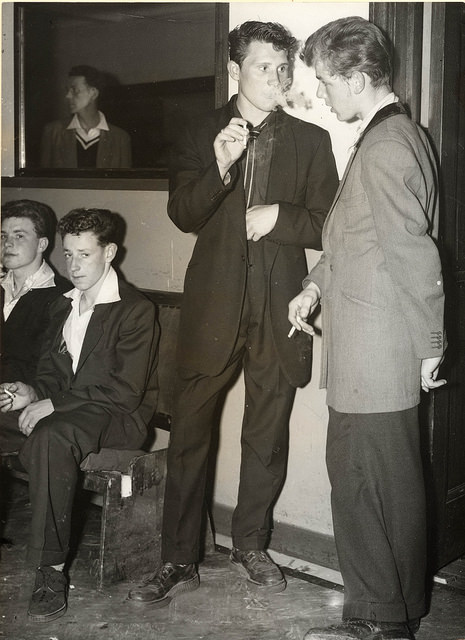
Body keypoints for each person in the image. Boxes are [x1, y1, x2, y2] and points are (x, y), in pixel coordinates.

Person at [128, 20, 338, 607]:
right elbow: (184, 215)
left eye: (282, 66)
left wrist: (282, 218)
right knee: (190, 433)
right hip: (213, 310)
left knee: (267, 436)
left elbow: (330, 224)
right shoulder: (199, 131)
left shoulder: (311, 140)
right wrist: (220, 168)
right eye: (263, 66)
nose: (275, 77)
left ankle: (251, 544)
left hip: (280, 312)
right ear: (234, 70)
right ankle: (178, 558)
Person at [288, 17, 446, 640]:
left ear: (357, 79)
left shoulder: (385, 146)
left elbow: (414, 253)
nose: (322, 94)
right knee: (379, 484)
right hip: (367, 347)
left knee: (368, 489)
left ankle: (383, 621)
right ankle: (391, 612)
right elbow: (359, 239)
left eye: (326, 82)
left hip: (378, 354)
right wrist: (314, 284)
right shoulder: (393, 135)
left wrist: (429, 346)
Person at [0, 208, 159, 623]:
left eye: (84, 255)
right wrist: (31, 393)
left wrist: (52, 403)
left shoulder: (134, 309)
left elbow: (124, 392)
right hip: (69, 411)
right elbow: (52, 374)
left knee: (50, 437)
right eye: (68, 255)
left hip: (114, 416)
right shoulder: (64, 304)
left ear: (109, 253)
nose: (73, 265)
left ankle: (50, 571)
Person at [1, 199, 71, 388]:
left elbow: (54, 371)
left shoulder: (63, 297)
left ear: (42, 244)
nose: (7, 243)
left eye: (19, 236)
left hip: (24, 402)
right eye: (3, 236)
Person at [40, 65, 131, 169]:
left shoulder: (120, 138)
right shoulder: (53, 132)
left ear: (93, 93)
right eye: (67, 90)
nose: (68, 96)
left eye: (74, 90)